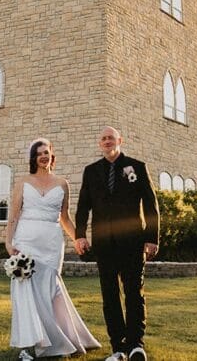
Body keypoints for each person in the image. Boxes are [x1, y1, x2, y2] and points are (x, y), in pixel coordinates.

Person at [6, 138, 100, 359]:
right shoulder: (23, 182)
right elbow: (13, 216)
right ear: (33, 158)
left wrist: (78, 238)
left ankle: (57, 339)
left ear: (52, 155)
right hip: (25, 241)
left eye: (46, 152)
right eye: (39, 153)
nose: (43, 156)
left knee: (50, 291)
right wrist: (9, 242)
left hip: (51, 243)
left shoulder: (62, 183)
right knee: (25, 292)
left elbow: (64, 218)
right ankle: (27, 347)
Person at [74, 127, 159, 361]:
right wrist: (79, 235)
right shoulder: (90, 171)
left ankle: (135, 346)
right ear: (99, 144)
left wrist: (152, 237)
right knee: (109, 296)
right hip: (104, 244)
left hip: (133, 242)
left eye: (111, 137)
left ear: (120, 140)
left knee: (134, 293)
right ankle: (118, 348)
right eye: (103, 138)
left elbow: (151, 204)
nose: (107, 141)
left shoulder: (137, 167)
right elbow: (83, 206)